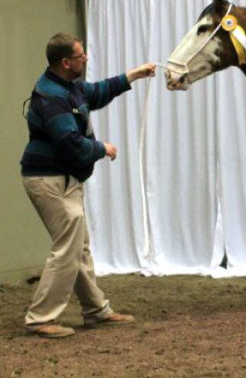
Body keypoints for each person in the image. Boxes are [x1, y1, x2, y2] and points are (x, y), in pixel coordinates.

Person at [20, 32, 156, 338]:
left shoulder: (69, 86)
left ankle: (95, 311)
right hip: (48, 181)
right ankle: (40, 317)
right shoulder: (51, 97)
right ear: (66, 62)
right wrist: (102, 148)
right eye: (82, 56)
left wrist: (134, 74)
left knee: (77, 248)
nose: (86, 59)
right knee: (68, 247)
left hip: (64, 179)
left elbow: (97, 92)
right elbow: (70, 143)